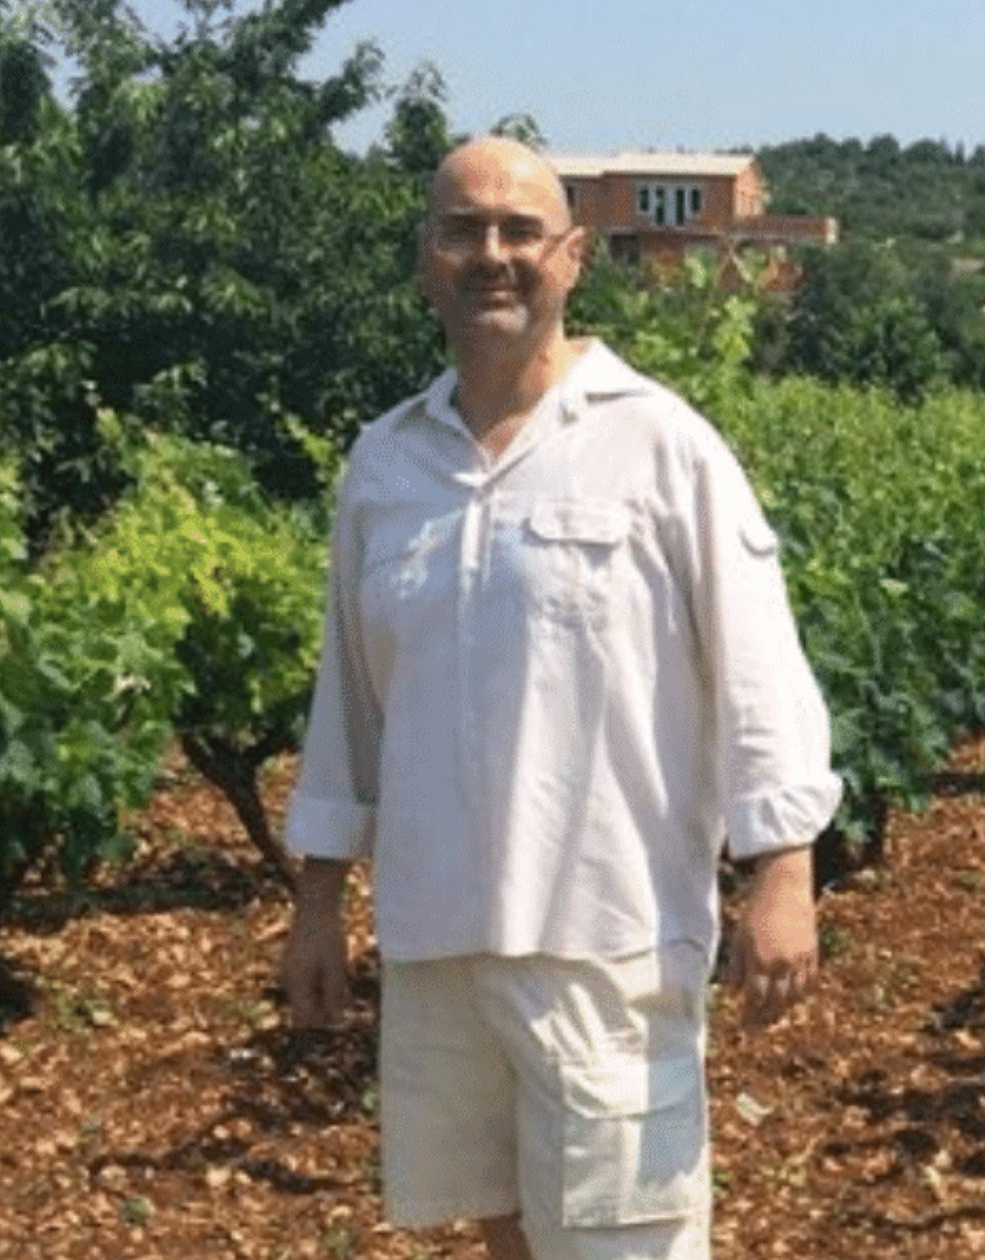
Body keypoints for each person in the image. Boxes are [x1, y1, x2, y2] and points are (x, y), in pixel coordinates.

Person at [277, 135, 841, 1260]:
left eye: (520, 230)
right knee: (502, 1229)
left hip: (607, 942)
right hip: (440, 939)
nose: (492, 254)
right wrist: (319, 899)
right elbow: (351, 699)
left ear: (573, 256)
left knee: (623, 1242)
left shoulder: (658, 444)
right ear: (425, 259)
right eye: (462, 230)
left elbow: (759, 663)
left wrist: (783, 869)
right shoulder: (386, 464)